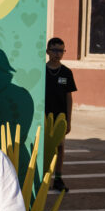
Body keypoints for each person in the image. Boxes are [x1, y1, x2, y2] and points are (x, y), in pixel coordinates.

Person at [45, 37, 77, 192]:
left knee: (60, 148)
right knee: (44, 148)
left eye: (61, 50)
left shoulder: (66, 72)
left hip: (60, 117)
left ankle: (58, 178)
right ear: (47, 51)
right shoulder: (41, 71)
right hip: (43, 117)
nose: (58, 54)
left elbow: (68, 97)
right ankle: (43, 179)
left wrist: (68, 120)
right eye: (54, 50)